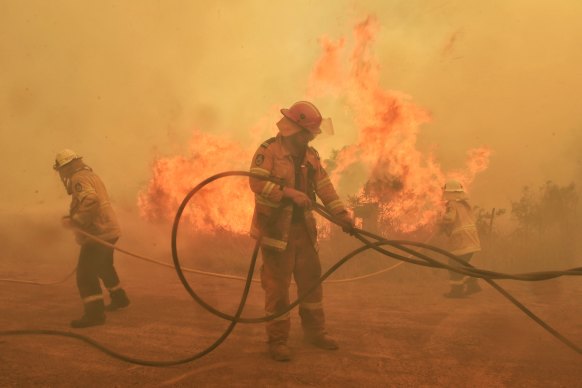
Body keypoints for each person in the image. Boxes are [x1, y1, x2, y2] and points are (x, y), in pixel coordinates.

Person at [248, 101, 354, 361]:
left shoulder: (311, 156)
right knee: (278, 290)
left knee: (311, 284)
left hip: (304, 232)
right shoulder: (268, 151)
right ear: (296, 130)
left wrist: (342, 215)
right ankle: (278, 341)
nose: (312, 137)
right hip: (275, 231)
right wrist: (288, 194)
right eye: (309, 133)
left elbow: (325, 187)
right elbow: (257, 183)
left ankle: (315, 332)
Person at [53, 149, 130, 328]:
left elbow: (91, 200)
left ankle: (94, 314)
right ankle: (120, 299)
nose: (62, 173)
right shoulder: (89, 175)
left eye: (62, 169)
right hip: (109, 229)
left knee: (85, 274)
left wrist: (76, 221)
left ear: (68, 167)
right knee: (103, 266)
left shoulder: (78, 179)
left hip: (99, 233)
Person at [439, 179, 482, 298]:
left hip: (462, 241)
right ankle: (471, 285)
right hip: (472, 241)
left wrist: (440, 221)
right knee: (461, 263)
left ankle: (459, 290)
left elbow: (450, 219)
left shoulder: (451, 204)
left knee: (453, 264)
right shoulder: (465, 205)